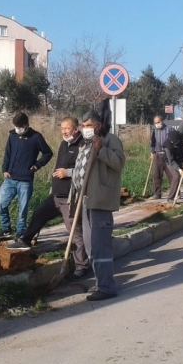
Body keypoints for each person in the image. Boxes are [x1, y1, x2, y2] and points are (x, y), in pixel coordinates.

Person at [7, 117, 89, 280]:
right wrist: (53, 187)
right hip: (56, 195)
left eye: (67, 128)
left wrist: (69, 173)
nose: (64, 131)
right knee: (39, 214)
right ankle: (25, 240)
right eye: (62, 128)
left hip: (71, 197)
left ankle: (81, 266)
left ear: (76, 129)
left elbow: (87, 170)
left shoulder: (83, 145)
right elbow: (58, 166)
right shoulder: (64, 143)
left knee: (75, 231)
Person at [72, 110, 125, 301]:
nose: (84, 129)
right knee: (89, 246)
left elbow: (119, 163)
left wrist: (101, 149)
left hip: (100, 201)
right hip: (86, 202)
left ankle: (107, 287)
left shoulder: (110, 140)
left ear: (98, 126)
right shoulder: (85, 144)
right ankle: (100, 282)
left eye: (88, 125)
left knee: (100, 246)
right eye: (83, 125)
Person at [0, 113, 53, 240]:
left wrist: (37, 165)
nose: (18, 128)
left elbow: (48, 153)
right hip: (10, 178)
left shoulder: (36, 137)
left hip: (25, 180)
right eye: (16, 126)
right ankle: (6, 230)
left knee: (23, 209)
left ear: (27, 125)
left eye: (20, 126)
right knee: (1, 204)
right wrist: (5, 169)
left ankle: (21, 232)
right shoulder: (12, 136)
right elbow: (7, 153)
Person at [149, 115, 175, 199]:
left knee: (171, 175)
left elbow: (174, 139)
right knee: (157, 175)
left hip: (167, 155)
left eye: (158, 122)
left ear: (162, 121)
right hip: (157, 154)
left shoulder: (169, 129)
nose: (157, 124)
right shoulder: (154, 131)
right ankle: (157, 193)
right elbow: (153, 143)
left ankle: (174, 193)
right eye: (155, 123)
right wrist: (152, 152)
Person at [163, 130, 183, 203]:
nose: (172, 143)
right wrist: (179, 170)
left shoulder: (181, 141)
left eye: (174, 142)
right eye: (172, 141)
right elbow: (171, 161)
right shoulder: (167, 146)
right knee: (176, 177)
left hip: (181, 160)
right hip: (170, 162)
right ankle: (171, 198)